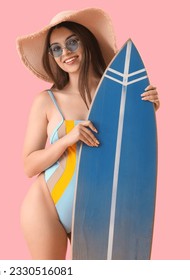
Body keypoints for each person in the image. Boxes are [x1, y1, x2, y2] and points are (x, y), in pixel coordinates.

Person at [16, 8, 160, 260]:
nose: (66, 53)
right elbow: (29, 165)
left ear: (87, 42)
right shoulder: (47, 101)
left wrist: (146, 109)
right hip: (47, 205)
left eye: (72, 42)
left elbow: (132, 146)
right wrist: (66, 140)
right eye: (56, 48)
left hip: (100, 206)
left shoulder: (119, 94)